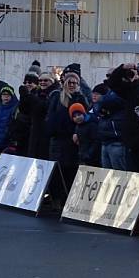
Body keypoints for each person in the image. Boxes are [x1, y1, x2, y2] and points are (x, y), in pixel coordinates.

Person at [46, 73, 88, 204]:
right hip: (58, 138)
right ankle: (56, 198)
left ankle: (68, 198)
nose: (71, 85)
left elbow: (85, 117)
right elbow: (51, 116)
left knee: (71, 169)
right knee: (58, 170)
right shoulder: (57, 97)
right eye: (69, 83)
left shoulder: (80, 98)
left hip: (72, 139)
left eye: (74, 83)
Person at [20, 72, 58, 160]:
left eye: (46, 80)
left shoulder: (55, 93)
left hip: (47, 133)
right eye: (40, 80)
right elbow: (25, 111)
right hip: (35, 131)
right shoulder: (37, 93)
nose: (42, 82)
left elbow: (44, 107)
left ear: (52, 81)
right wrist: (24, 97)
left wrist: (29, 96)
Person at [0, 85, 19, 155]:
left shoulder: (15, 108)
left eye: (8, 95)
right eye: (4, 95)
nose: (6, 97)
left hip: (8, 143)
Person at [71, 103, 100, 167]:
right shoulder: (78, 126)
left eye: (79, 115)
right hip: (82, 157)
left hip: (92, 159)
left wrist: (89, 154)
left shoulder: (91, 124)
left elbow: (96, 141)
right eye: (74, 116)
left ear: (83, 113)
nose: (77, 117)